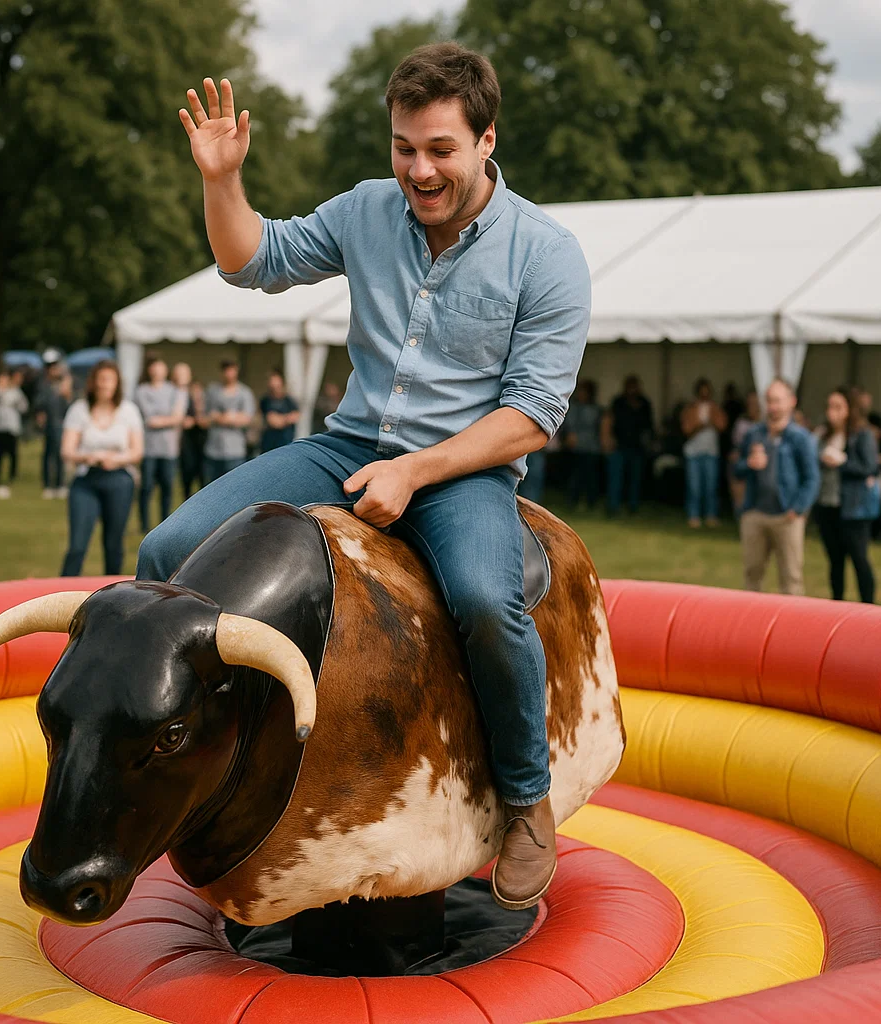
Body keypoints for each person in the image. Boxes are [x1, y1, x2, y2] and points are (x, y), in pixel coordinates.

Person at [139, 43, 592, 911]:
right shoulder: (366, 211)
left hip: (461, 471)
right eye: (403, 147)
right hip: (346, 445)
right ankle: (214, 769)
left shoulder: (546, 253)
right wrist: (221, 180)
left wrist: (417, 471)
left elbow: (532, 415)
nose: (419, 169)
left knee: (487, 606)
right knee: (168, 552)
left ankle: (528, 800)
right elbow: (252, 262)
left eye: (441, 149)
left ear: (486, 139)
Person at [734, 378, 819, 595]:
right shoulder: (755, 434)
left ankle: (793, 627)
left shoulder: (801, 438)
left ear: (791, 402)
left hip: (786, 516)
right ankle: (751, 624)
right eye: (769, 401)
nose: (773, 406)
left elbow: (812, 478)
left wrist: (798, 509)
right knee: (752, 575)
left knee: (791, 578)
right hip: (755, 513)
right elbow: (737, 469)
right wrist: (749, 464)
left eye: (778, 401)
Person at [60, 360, 143, 576]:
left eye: (110, 380)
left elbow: (137, 451)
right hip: (87, 479)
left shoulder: (128, 411)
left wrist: (116, 459)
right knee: (77, 546)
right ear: (94, 382)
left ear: (117, 384)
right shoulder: (79, 410)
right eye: (101, 379)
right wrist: (88, 456)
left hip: (119, 480)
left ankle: (112, 597)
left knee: (114, 545)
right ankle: (59, 595)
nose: (105, 384)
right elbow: (67, 450)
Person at [813, 389, 879, 604]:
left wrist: (842, 462)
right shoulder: (823, 435)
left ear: (849, 409)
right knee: (835, 560)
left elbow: (870, 467)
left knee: (859, 559)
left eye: (838, 407)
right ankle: (837, 605)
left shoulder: (862, 434)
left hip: (853, 508)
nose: (832, 412)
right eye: (829, 406)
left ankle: (868, 607)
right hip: (827, 505)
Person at [134, 357, 186, 532]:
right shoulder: (142, 391)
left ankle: (165, 526)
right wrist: (169, 419)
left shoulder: (174, 391)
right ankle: (144, 525)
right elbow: (149, 419)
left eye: (160, 368)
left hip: (169, 450)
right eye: (154, 368)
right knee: (146, 488)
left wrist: (163, 419)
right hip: (148, 449)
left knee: (167, 489)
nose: (157, 371)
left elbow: (177, 417)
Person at [680, 378, 727, 527]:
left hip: (711, 452)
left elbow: (722, 425)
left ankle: (711, 515)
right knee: (694, 486)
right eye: (702, 391)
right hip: (693, 453)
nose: (705, 394)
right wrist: (700, 426)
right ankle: (693, 515)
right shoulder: (690, 408)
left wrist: (711, 418)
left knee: (711, 486)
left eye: (707, 391)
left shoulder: (715, 408)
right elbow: (686, 429)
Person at [605, 376, 653, 515]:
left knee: (635, 480)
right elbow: (609, 420)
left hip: (637, 447)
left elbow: (648, 426)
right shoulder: (618, 402)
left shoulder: (644, 403)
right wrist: (608, 440)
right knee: (616, 479)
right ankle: (613, 507)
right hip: (619, 446)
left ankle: (633, 506)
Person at [203, 359, 256, 483]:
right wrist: (231, 417)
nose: (229, 374)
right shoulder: (213, 391)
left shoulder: (244, 393)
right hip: (214, 450)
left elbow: (247, 419)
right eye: (226, 371)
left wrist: (222, 417)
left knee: (234, 485)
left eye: (231, 370)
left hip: (235, 450)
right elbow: (206, 417)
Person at [35, 351, 72, 499]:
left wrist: (67, 394)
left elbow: (70, 405)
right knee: (48, 454)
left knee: (60, 454)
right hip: (49, 425)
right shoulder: (44, 385)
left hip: (62, 423)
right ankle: (48, 485)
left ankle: (60, 484)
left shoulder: (65, 384)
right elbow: (39, 404)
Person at [562, 380, 603, 510]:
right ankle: (572, 501)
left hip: (591, 447)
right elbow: (569, 425)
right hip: (576, 447)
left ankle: (591, 502)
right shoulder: (572, 407)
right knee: (575, 476)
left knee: (591, 477)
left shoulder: (595, 409)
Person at [0, 370, 29, 498]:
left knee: (12, 453)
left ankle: (12, 476)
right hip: (0, 427)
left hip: (12, 427)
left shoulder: (15, 392)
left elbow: (24, 407)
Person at [171, 363, 206, 500]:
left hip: (201, 446)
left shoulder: (203, 401)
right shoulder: (178, 396)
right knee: (187, 480)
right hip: (187, 445)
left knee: (203, 481)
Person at [728, 390, 760, 516]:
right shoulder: (741, 422)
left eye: (755, 403)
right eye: (750, 403)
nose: (752, 406)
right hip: (745, 459)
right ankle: (741, 514)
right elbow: (736, 444)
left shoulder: (766, 424)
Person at [259, 370, 299, 453]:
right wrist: (286, 418)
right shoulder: (265, 401)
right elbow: (272, 421)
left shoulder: (289, 401)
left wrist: (281, 419)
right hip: (268, 446)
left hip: (286, 445)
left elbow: (295, 416)